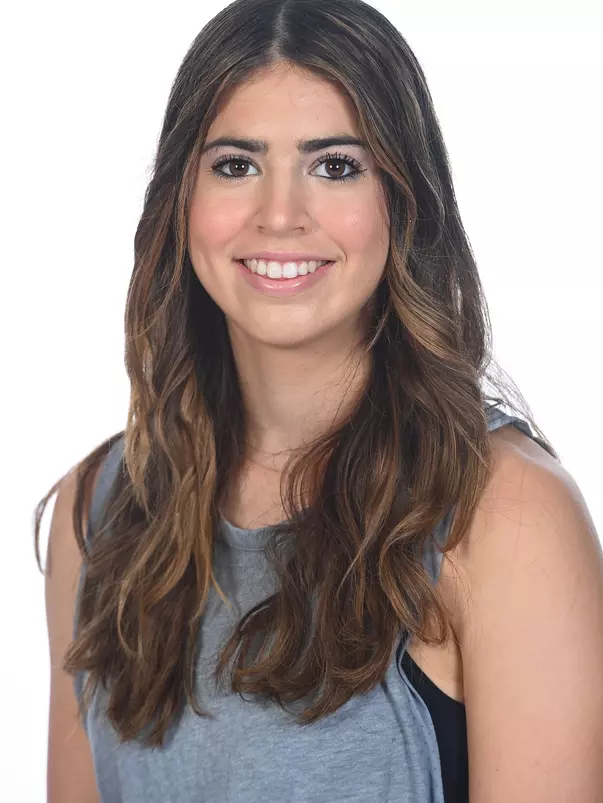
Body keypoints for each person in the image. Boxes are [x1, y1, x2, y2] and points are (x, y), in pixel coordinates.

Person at [35, 0, 603, 801]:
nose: (279, 215)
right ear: (179, 199)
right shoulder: (94, 509)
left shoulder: (505, 516)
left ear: (403, 200)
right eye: (235, 164)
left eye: (335, 165)